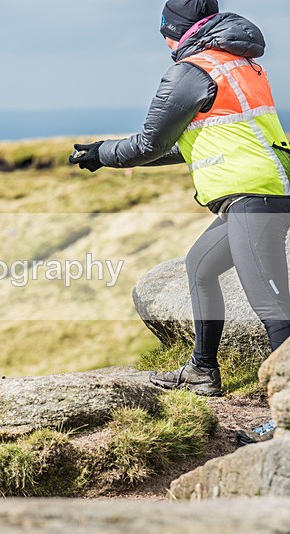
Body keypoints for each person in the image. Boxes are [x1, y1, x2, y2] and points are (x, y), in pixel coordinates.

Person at [69, 0, 290, 445]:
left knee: (274, 309)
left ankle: (285, 418)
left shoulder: (192, 70)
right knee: (200, 268)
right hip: (260, 193)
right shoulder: (237, 63)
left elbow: (150, 142)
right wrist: (110, 154)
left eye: (165, 33)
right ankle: (202, 370)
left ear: (178, 30)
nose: (166, 42)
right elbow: (181, 144)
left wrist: (101, 154)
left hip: (255, 197)